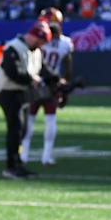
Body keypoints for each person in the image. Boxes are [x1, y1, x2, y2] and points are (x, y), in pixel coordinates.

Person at [0, 20, 59, 179]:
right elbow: (11, 72)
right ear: (35, 37)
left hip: (21, 92)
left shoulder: (34, 50)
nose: (41, 46)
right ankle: (11, 166)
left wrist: (57, 79)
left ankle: (18, 163)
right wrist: (31, 80)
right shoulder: (13, 47)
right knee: (15, 128)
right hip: (7, 91)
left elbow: (43, 68)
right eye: (41, 41)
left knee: (22, 129)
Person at [21, 8, 72, 166]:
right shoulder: (66, 43)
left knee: (29, 120)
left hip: (36, 82)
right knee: (50, 120)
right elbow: (68, 67)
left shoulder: (39, 39)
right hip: (52, 85)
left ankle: (24, 156)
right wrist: (65, 88)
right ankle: (46, 157)